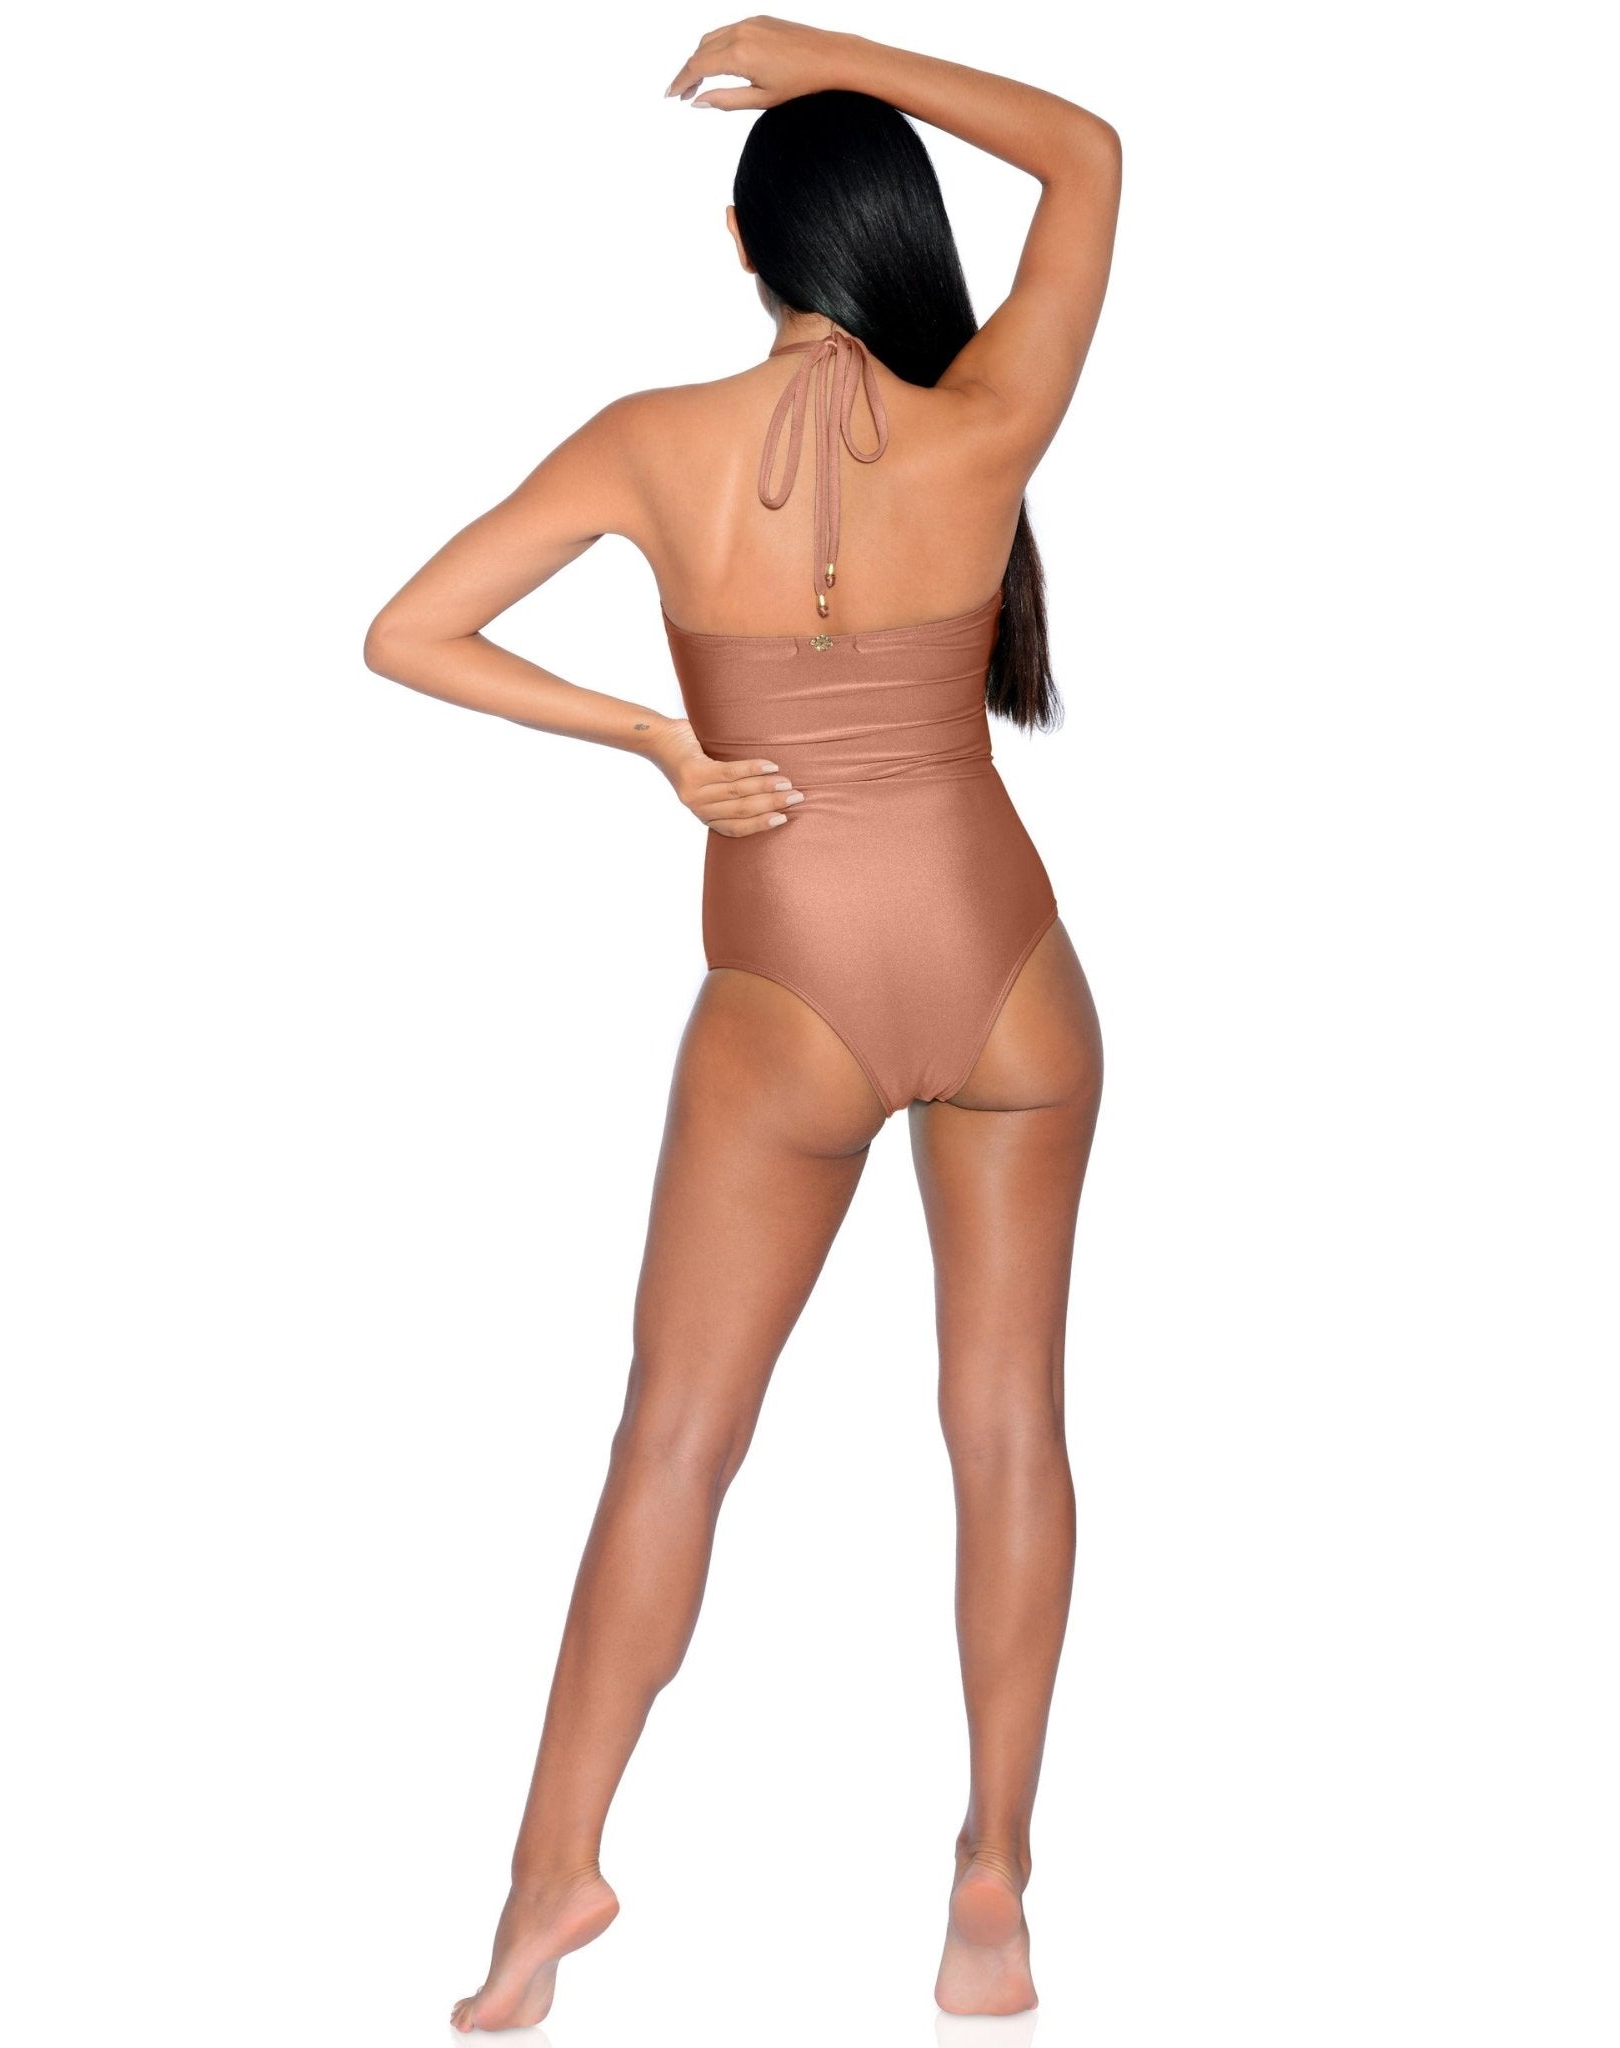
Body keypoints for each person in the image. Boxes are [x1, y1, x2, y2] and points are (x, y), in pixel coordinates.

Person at [363, 19, 1121, 2031]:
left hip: (784, 996)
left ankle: (548, 1885)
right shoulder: (989, 418)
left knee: (675, 1440)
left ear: (740, 244)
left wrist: (652, 737)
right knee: (1006, 1426)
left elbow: (406, 632)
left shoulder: (650, 442)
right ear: (893, 241)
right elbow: (1088, 150)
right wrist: (824, 50)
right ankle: (991, 1877)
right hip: (1007, 971)